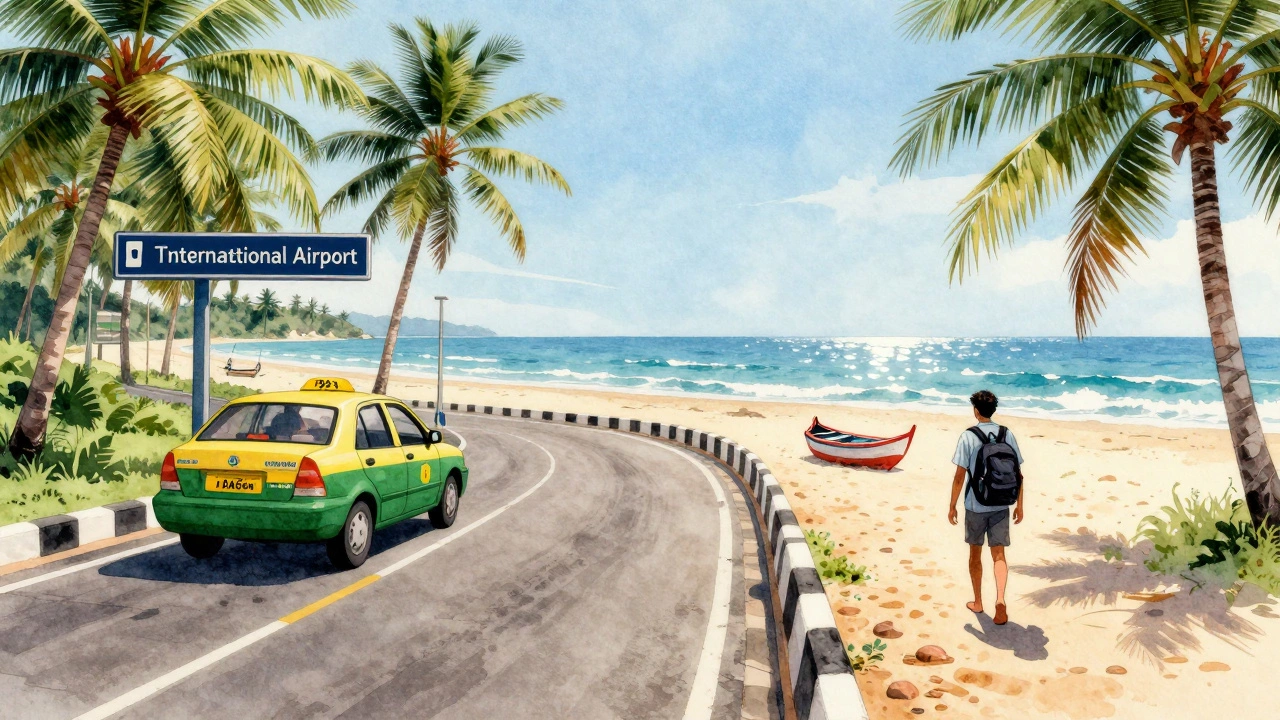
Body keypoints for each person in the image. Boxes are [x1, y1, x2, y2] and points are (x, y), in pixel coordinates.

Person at [948, 390, 1025, 626]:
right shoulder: (1006, 434)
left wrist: (952, 505)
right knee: (999, 554)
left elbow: (960, 476)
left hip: (976, 504)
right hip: (1002, 502)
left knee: (975, 554)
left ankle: (979, 601)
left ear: (976, 410)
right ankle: (1000, 599)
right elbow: (1019, 474)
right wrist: (1019, 505)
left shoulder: (968, 436)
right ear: (993, 410)